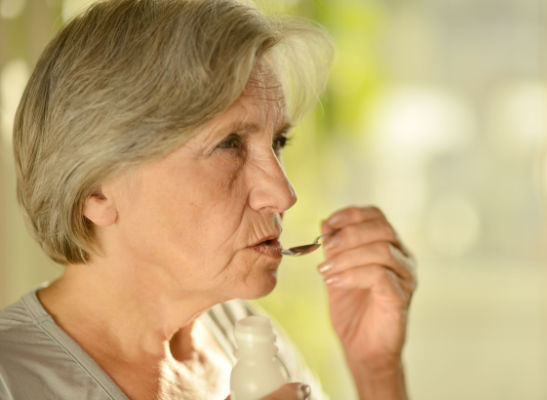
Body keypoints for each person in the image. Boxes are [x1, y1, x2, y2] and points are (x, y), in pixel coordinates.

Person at [0, 0, 417, 399]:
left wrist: (376, 371)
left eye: (278, 141)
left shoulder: (243, 335)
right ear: (96, 189)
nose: (283, 195)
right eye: (229, 144)